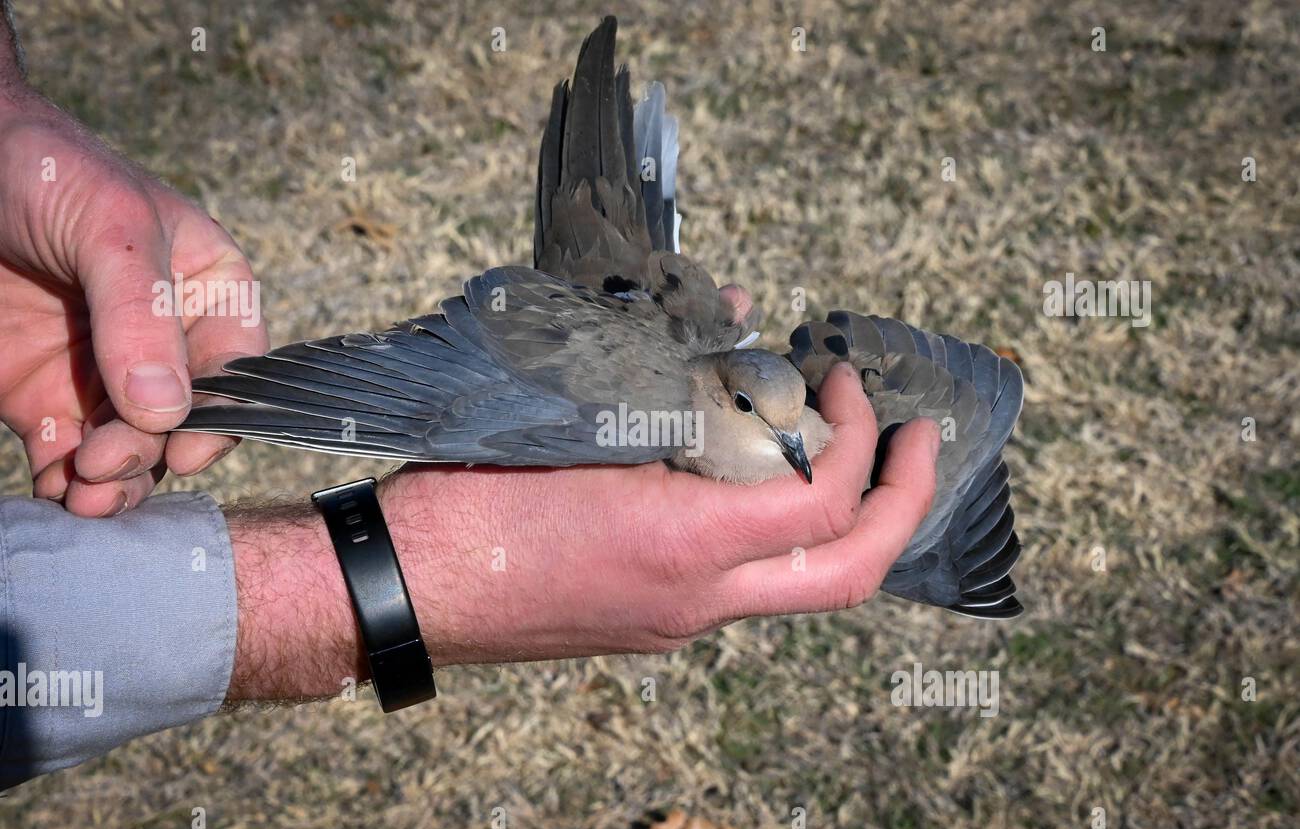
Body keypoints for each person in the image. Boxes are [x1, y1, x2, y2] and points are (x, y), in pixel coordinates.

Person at [0, 4, 937, 789]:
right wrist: (423, 573)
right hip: (593, 334)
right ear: (724, 398)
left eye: (783, 429)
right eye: (755, 416)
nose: (792, 440)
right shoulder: (642, 408)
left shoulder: (763, 406)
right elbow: (445, 407)